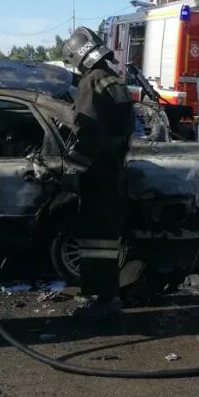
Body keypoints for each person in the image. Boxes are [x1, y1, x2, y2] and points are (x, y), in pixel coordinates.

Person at [62, 26, 135, 314]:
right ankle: (102, 292)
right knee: (104, 238)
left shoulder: (90, 82)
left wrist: (73, 169)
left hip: (98, 172)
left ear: (79, 58)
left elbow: (87, 131)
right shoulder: (113, 79)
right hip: (114, 167)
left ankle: (99, 296)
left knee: (94, 237)